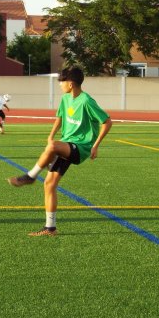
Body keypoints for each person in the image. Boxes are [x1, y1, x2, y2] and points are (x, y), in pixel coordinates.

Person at [7, 67, 112, 236]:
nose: (60, 85)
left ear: (70, 84)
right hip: (67, 145)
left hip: (81, 148)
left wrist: (95, 145)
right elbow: (60, 117)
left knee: (54, 147)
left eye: (62, 82)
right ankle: (50, 228)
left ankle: (30, 176)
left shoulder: (86, 101)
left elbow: (107, 122)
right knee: (49, 185)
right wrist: (50, 135)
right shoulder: (65, 99)